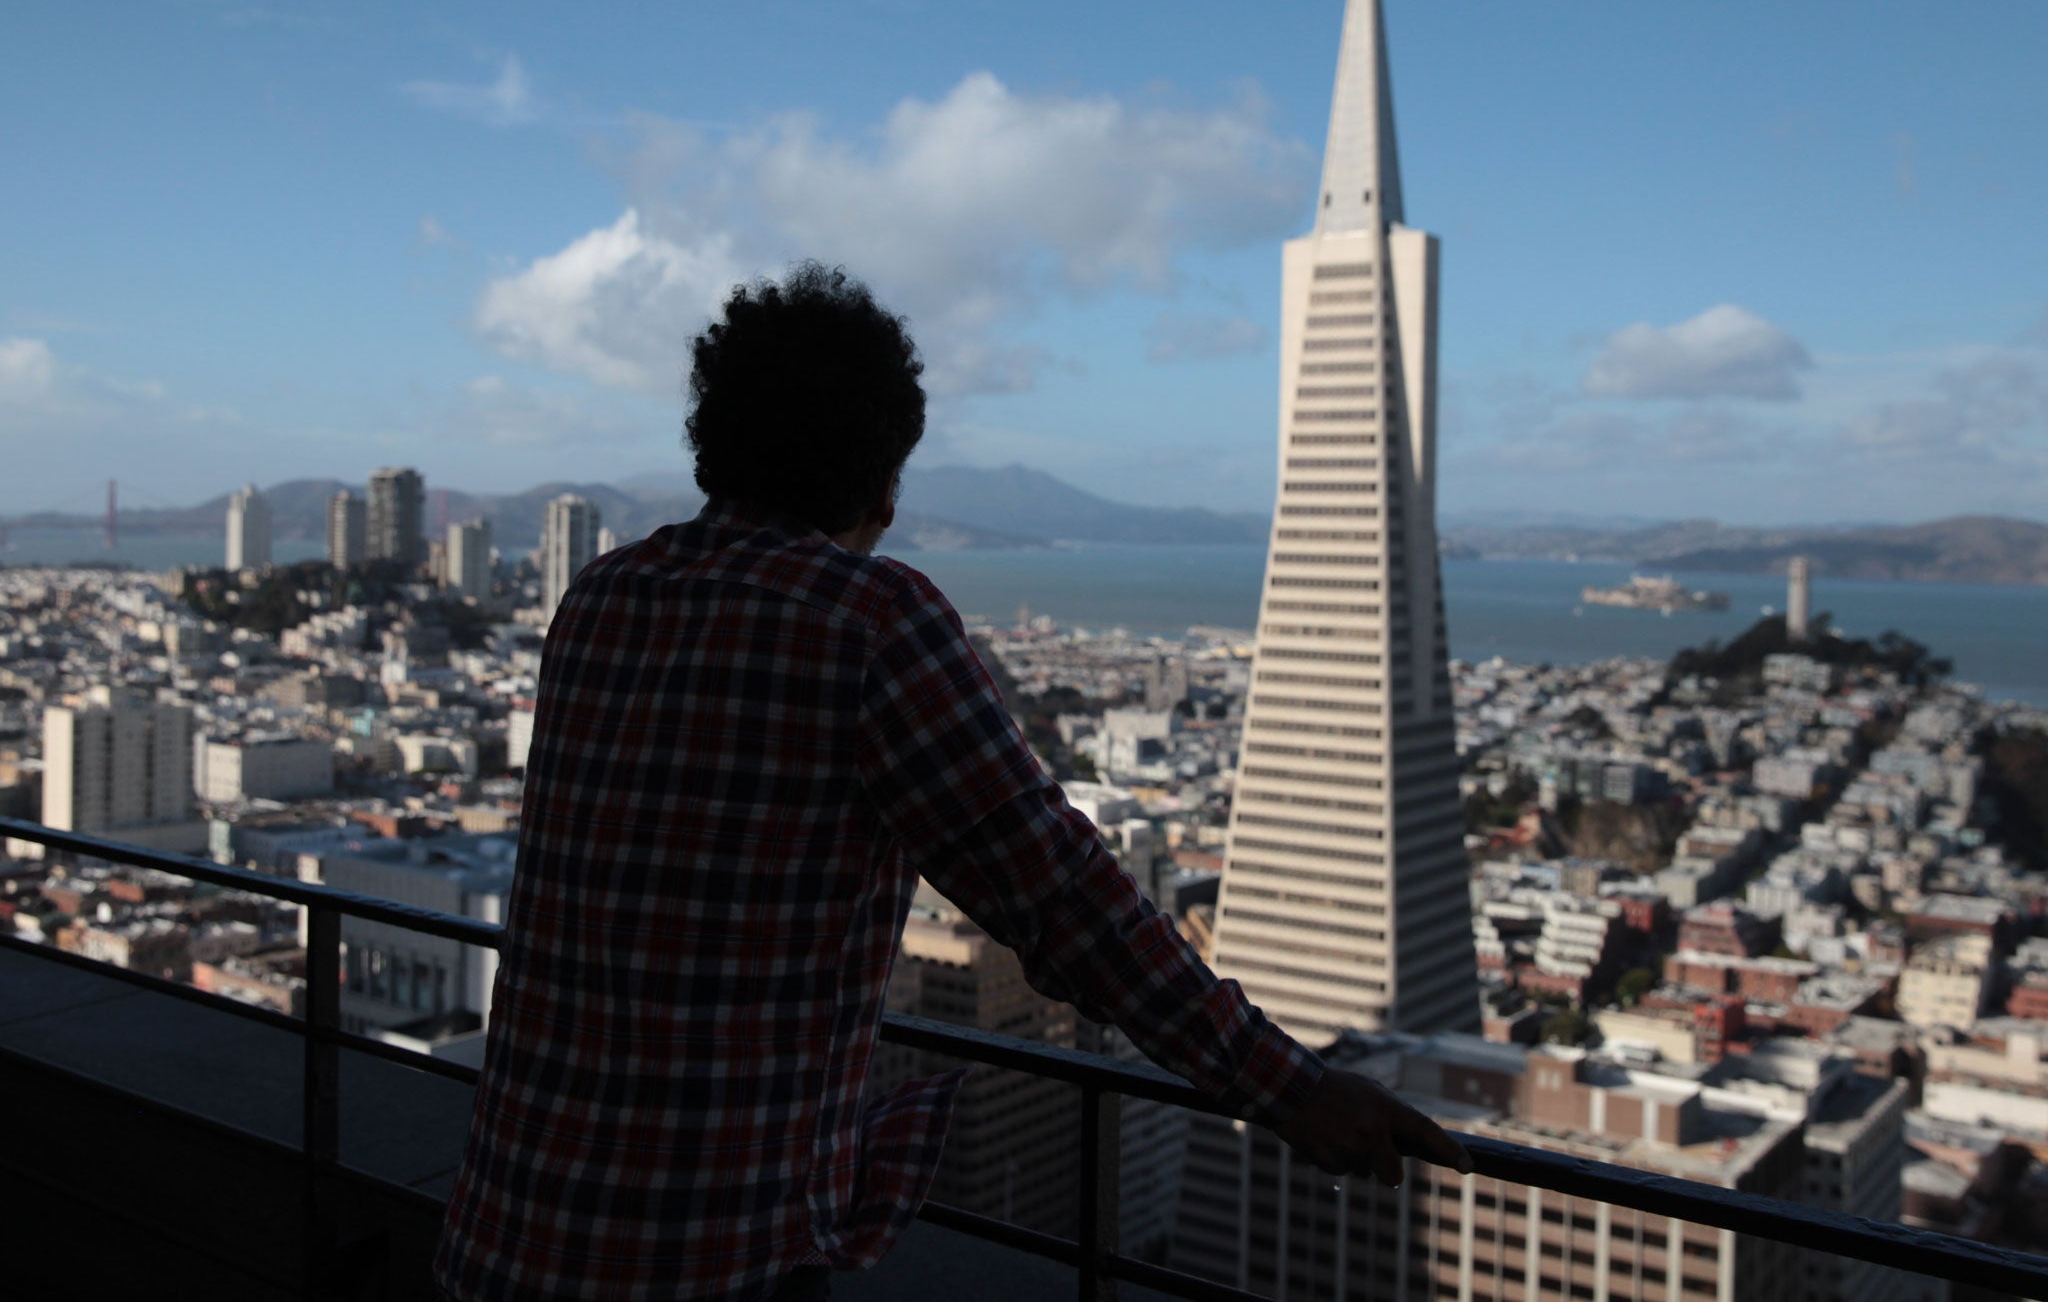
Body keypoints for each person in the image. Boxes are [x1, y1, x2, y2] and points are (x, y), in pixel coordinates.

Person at [434, 263, 1471, 1302]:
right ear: (882, 480)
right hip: (708, 1252)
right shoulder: (868, 622)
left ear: (715, 441)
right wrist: (1289, 1088)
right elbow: (1067, 906)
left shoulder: (602, 596)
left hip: (504, 1227)